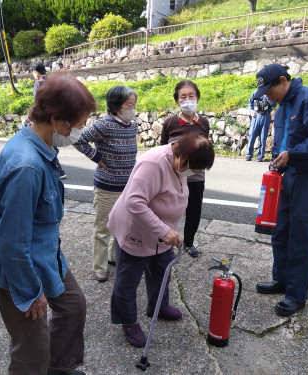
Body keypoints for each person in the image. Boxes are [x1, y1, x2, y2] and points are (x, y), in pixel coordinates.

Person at [0, 72, 97, 375]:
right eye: (78, 124)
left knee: (72, 305)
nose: (81, 130)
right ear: (56, 118)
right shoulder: (25, 166)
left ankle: (58, 368)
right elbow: (12, 243)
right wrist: (29, 293)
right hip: (16, 265)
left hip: (44, 252)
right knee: (31, 348)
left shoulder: (41, 143)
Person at [107, 134, 215, 347]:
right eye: (191, 168)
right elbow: (134, 201)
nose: (191, 173)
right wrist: (163, 230)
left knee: (161, 269)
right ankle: (128, 322)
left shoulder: (181, 160)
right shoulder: (153, 163)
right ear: (181, 155)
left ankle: (158, 305)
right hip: (136, 230)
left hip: (163, 231)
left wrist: (166, 230)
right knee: (127, 280)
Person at [254, 64, 308, 317]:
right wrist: (277, 158)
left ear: (283, 80)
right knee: (280, 233)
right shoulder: (281, 110)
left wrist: (292, 154)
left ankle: (296, 295)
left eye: (270, 91)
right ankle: (282, 280)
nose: (268, 97)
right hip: (285, 179)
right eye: (265, 93)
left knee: (301, 237)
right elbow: (283, 142)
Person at [73, 85, 138, 283]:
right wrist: (96, 156)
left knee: (121, 225)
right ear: (117, 106)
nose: (133, 108)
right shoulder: (104, 124)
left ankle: (112, 257)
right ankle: (99, 266)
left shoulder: (132, 124)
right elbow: (78, 140)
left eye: (134, 104)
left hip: (127, 186)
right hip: (107, 186)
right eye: (129, 104)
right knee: (103, 228)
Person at [160, 80, 210, 258]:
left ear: (197, 99)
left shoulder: (203, 123)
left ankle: (189, 242)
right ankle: (165, 238)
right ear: (177, 101)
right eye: (183, 97)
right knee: (167, 207)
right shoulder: (170, 123)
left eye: (191, 96)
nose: (188, 100)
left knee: (194, 209)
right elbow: (163, 148)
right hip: (173, 174)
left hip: (196, 175)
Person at [32, 63, 67, 179]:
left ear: (36, 72)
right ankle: (53, 168)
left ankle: (58, 170)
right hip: (56, 117)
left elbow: (38, 103)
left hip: (44, 119)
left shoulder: (38, 83)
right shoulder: (53, 82)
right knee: (49, 143)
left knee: (46, 144)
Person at [245, 92, 276, 162]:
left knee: (263, 137)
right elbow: (250, 102)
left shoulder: (271, 94)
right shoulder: (256, 93)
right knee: (252, 135)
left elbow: (274, 104)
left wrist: (267, 98)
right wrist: (251, 111)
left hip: (266, 116)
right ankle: (249, 154)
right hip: (256, 116)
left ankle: (260, 155)